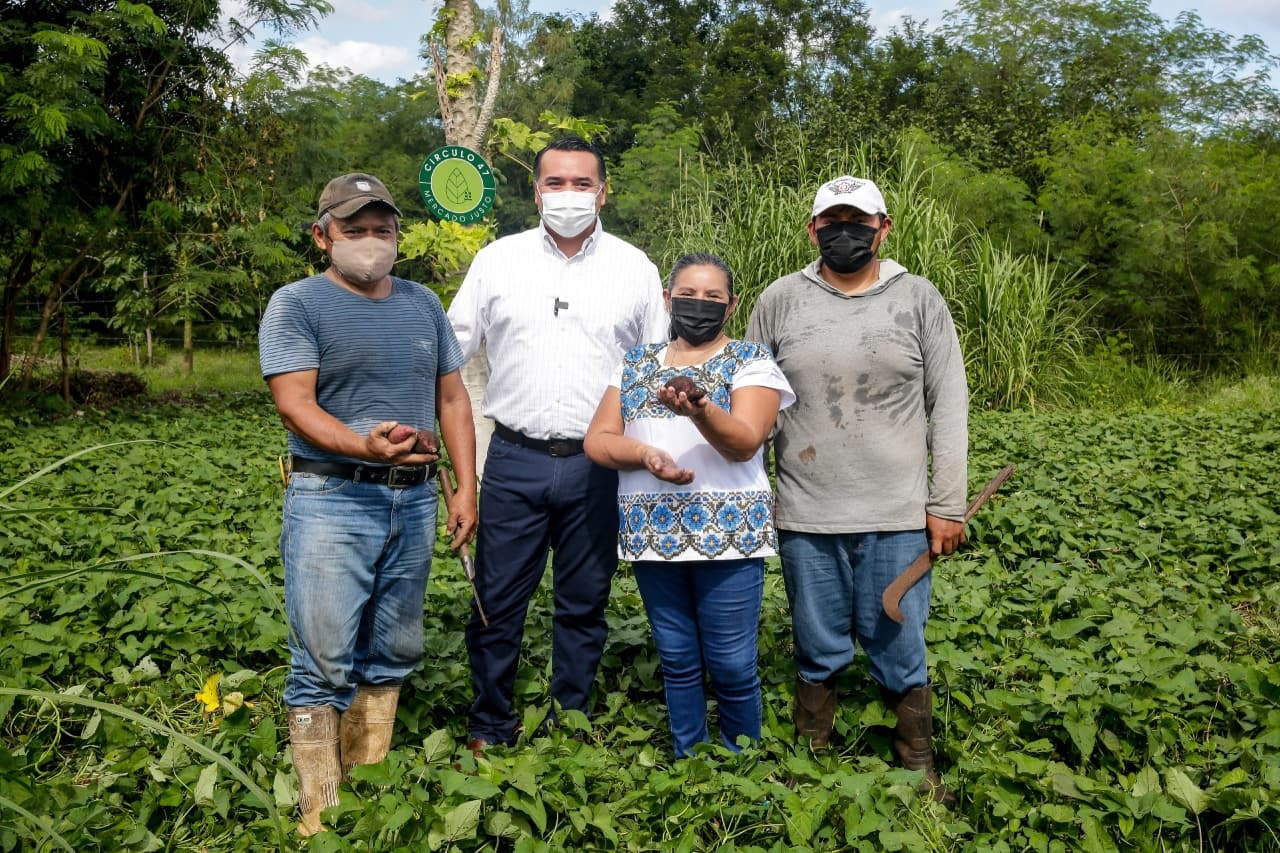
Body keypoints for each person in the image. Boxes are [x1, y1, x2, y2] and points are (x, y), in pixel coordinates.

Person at [259, 172, 478, 834]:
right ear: (323, 234)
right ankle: (318, 809)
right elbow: (295, 403)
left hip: (412, 502)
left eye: (382, 230)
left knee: (392, 647)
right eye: (354, 229)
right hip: (332, 498)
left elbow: (452, 399)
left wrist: (466, 486)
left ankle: (368, 777)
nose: (371, 241)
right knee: (322, 655)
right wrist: (363, 444)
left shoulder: (423, 304)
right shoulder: (296, 305)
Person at [746, 176, 968, 802]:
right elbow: (753, 403)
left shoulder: (918, 299)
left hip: (897, 515)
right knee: (817, 646)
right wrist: (750, 497)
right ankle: (813, 753)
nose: (846, 233)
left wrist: (947, 505)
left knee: (900, 643)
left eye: (859, 222)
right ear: (813, 229)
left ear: (884, 228)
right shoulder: (781, 300)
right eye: (832, 222)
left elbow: (949, 404)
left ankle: (916, 761)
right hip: (805, 510)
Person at [447, 137, 667, 752]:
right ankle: (490, 722)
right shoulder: (497, 261)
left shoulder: (635, 268)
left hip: (597, 464)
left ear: (603, 191)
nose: (567, 194)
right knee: (496, 601)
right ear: (535, 190)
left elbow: (653, 368)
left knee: (583, 602)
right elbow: (449, 351)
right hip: (512, 458)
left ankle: (569, 720)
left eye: (581, 183)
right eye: (555, 183)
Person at [584, 254, 794, 757]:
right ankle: (689, 765)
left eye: (712, 298)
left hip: (728, 534)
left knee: (731, 663)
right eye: (688, 295)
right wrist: (644, 454)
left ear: (731, 305)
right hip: (653, 535)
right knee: (677, 659)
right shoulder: (635, 363)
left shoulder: (751, 360)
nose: (698, 305)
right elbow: (598, 440)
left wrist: (701, 410)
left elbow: (744, 441)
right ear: (667, 299)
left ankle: (744, 771)